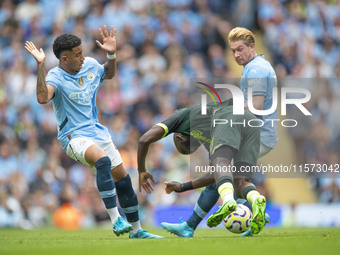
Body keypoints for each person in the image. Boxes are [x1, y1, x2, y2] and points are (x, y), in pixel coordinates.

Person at [24, 25, 162, 239]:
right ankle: (116, 219)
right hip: (73, 137)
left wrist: (112, 54)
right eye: (77, 55)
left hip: (97, 132)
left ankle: (138, 231)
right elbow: (43, 97)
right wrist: (40, 66)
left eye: (82, 52)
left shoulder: (89, 65)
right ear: (64, 60)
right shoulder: (55, 77)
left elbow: (108, 73)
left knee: (123, 180)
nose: (82, 57)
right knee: (103, 161)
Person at [157, 27, 278, 237]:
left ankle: (192, 225)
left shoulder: (257, 70)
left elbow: (257, 106)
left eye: (240, 49)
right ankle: (255, 208)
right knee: (226, 179)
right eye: (232, 51)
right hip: (257, 133)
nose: (236, 55)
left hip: (254, 134)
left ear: (252, 46)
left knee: (220, 176)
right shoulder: (256, 66)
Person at [138, 101, 266, 235]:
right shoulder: (208, 134)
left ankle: (228, 201)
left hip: (229, 118)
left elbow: (144, 139)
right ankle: (255, 200)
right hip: (251, 123)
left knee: (221, 164)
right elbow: (214, 176)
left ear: (178, 136)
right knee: (240, 183)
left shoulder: (180, 116)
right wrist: (183, 187)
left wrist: (141, 170)